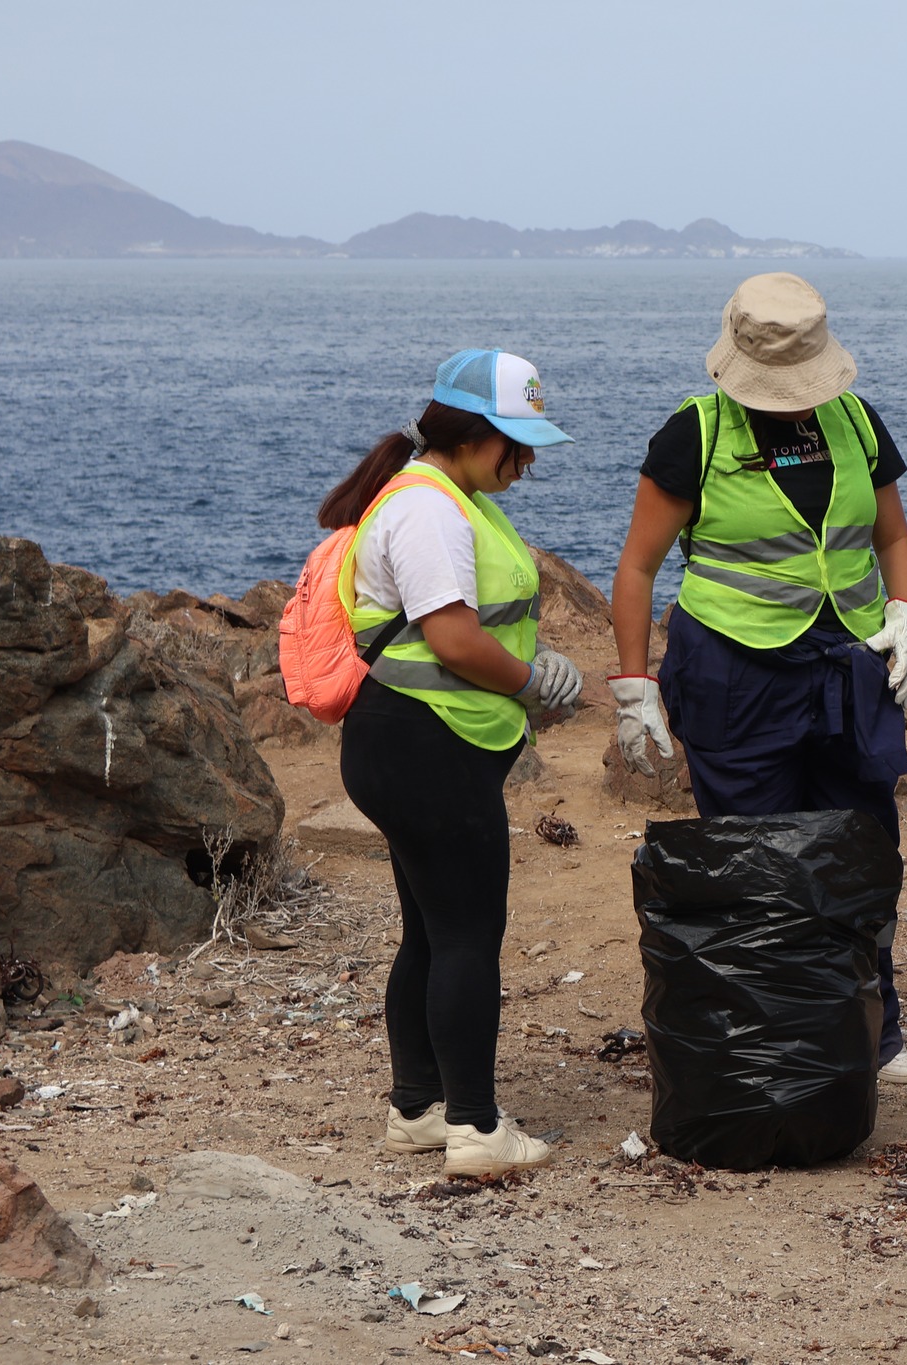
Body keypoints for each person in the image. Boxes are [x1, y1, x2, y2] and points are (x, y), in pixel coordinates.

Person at [609, 272, 907, 1084]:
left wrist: (906, 617)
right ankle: (777, 1037)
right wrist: (633, 684)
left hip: (847, 670)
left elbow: (892, 538)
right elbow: (638, 566)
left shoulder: (855, 420)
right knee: (757, 857)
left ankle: (873, 1027)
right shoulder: (698, 434)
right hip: (734, 674)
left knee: (863, 846)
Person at [324, 348, 584, 1176]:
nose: (528, 461)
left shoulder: (450, 494)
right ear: (476, 435)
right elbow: (454, 636)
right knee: (470, 934)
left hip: (417, 743)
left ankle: (417, 1109)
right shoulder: (430, 510)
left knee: (433, 933)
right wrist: (536, 683)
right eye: (519, 441)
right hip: (426, 744)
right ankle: (476, 1128)